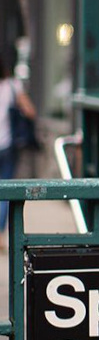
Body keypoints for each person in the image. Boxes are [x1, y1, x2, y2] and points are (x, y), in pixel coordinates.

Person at [0, 53, 36, 235]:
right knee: (5, 188)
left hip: (8, 146)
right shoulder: (12, 86)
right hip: (7, 144)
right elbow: (30, 111)